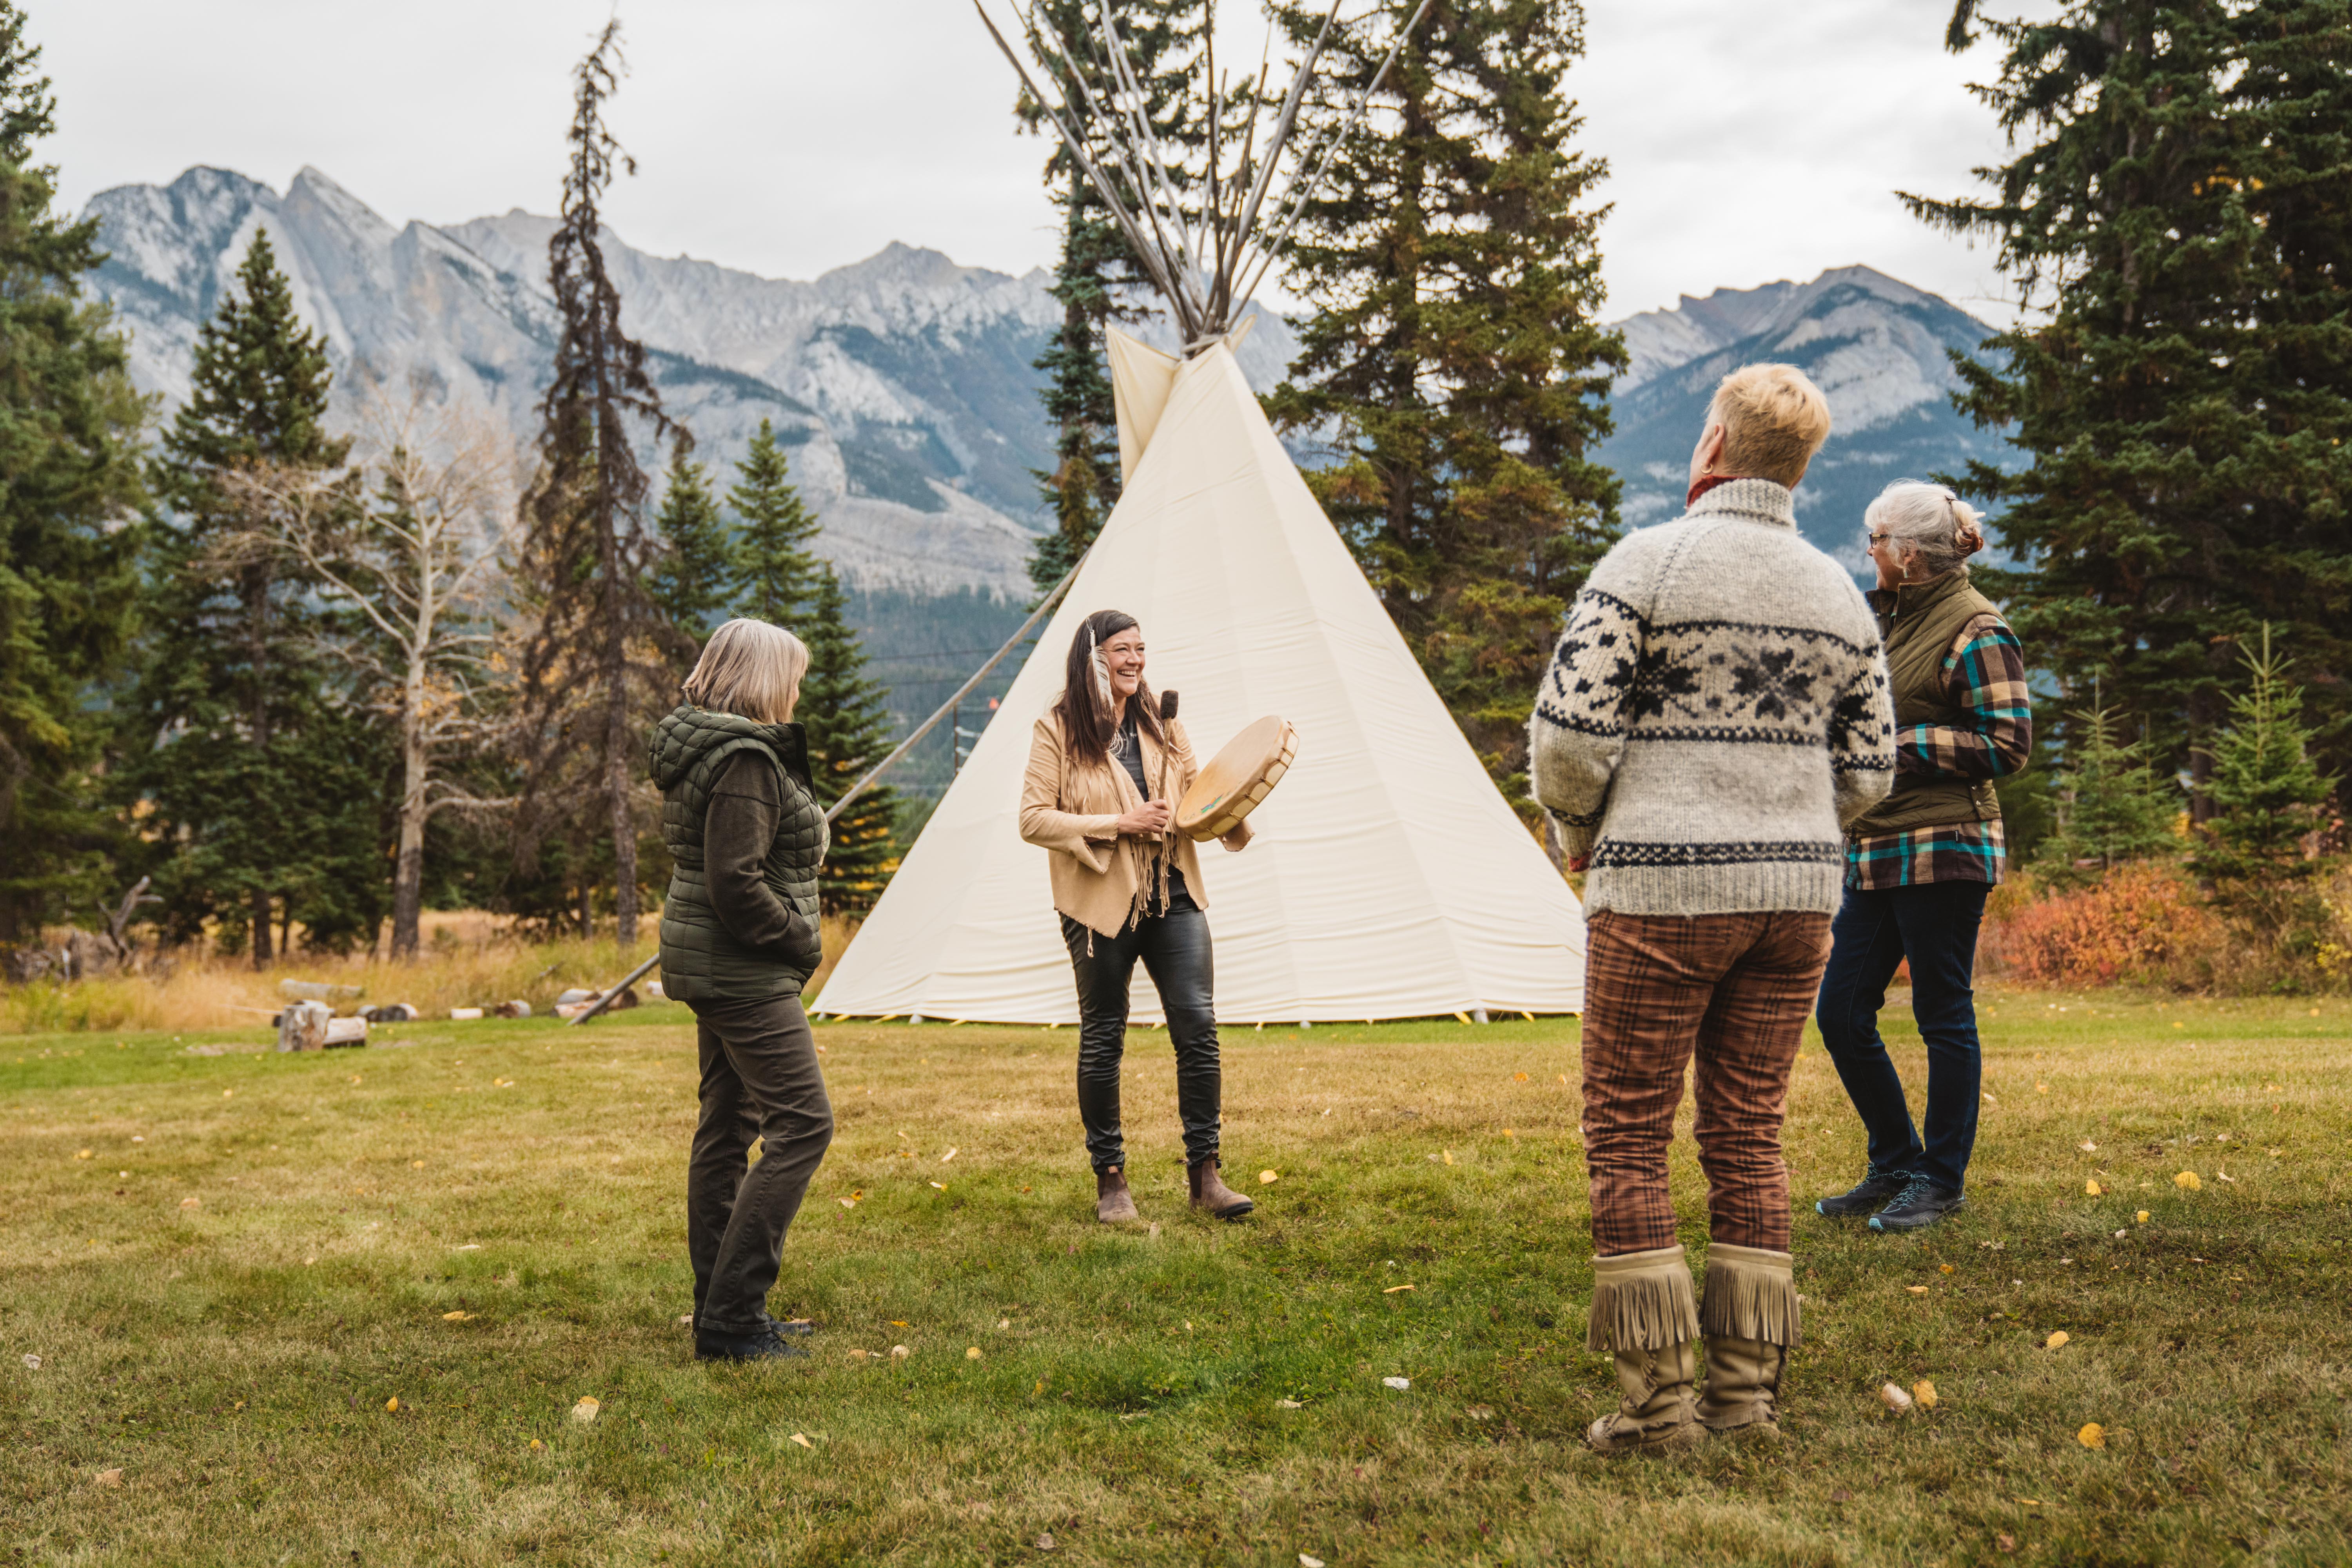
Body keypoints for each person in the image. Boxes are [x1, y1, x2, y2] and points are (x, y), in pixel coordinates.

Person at [1529, 363, 1896, 1452]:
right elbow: (1871, 771)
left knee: (1629, 1138)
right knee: (1749, 1137)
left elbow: (1568, 739)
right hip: (1796, 906)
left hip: (1662, 893)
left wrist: (1575, 830)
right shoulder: (1839, 594)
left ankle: (1658, 1411)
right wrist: (1794, 821)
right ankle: (1746, 1399)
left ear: (1713, 447)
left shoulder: (1648, 563)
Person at [1814, 482, 2031, 1233]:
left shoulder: (1977, 628)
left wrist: (1900, 748)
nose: (1867, 551)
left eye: (1875, 540)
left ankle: (1941, 1180)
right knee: (1840, 1012)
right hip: (1878, 847)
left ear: (1907, 553)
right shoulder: (1889, 623)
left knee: (1942, 1011)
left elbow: (2008, 742)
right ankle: (1897, 1159)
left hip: (1945, 845)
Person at [1019, 609, 1256, 1224]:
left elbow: (1202, 789)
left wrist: (1239, 813)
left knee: (1197, 1026)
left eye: (1142, 649)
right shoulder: (1058, 729)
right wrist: (1118, 824)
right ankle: (1112, 1181)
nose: (1137, 660)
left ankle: (1206, 1176)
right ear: (1094, 657)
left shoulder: (1161, 720)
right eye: (1124, 649)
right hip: (1100, 902)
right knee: (1104, 1037)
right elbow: (1033, 818)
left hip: (1173, 889)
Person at [649, 618, 834, 1362]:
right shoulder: (747, 759)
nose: (796, 691)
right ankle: (733, 1317)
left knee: (727, 1131)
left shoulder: (712, 749)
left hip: (718, 966)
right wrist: (796, 934)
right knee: (803, 1127)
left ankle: (719, 1307)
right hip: (744, 970)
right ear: (762, 679)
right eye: (791, 676)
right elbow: (735, 881)